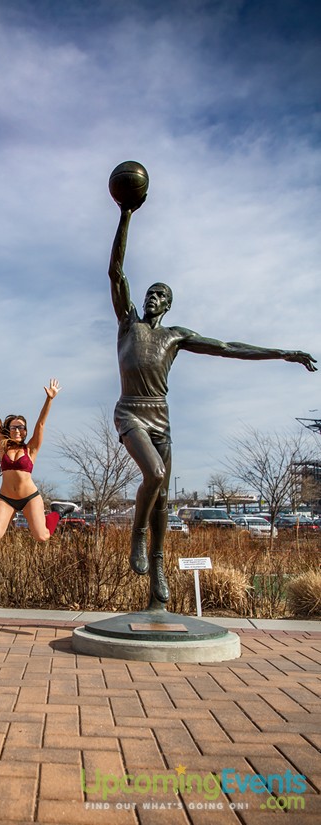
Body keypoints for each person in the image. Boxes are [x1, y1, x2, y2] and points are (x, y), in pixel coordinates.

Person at [109, 203, 317, 609]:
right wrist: (126, 214)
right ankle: (136, 535)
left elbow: (227, 348)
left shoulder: (175, 335)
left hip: (161, 415)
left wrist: (281, 352)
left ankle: (157, 568)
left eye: (160, 296)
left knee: (164, 502)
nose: (152, 298)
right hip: (131, 409)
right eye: (150, 293)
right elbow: (116, 271)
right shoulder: (127, 324)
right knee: (155, 472)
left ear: (168, 306)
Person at [0, 376, 72, 541]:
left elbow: (40, 424)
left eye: (21, 427)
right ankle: (0, 516)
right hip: (6, 498)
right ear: (9, 430)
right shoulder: (3, 446)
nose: (17, 430)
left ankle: (58, 512)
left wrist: (49, 398)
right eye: (13, 427)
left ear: (25, 431)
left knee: (43, 536)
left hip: (29, 498)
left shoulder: (30, 449)